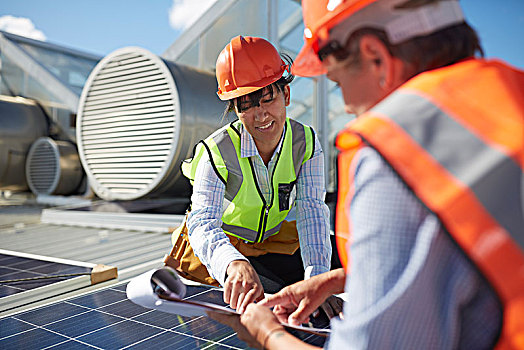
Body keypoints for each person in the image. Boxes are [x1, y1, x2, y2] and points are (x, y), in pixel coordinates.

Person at [211, 0, 524, 349]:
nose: (344, 105)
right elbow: (471, 254)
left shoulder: (398, 160)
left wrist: (267, 333)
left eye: (337, 79)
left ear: (376, 57)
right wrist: (339, 280)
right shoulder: (510, 101)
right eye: (244, 103)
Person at [171, 35, 336, 314]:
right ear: (234, 109)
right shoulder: (216, 151)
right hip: (224, 245)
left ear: (285, 94)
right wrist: (232, 263)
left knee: (328, 275)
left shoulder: (306, 143)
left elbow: (311, 211)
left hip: (271, 242)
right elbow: (202, 223)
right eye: (245, 105)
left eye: (266, 98)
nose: (259, 115)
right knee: (257, 304)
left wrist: (317, 278)